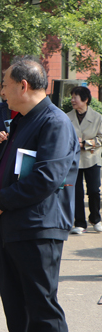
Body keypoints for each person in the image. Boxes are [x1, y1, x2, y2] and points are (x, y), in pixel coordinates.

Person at [0, 56, 79, 332]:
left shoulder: (54, 123)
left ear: (23, 86)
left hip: (37, 229)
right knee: (17, 310)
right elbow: (2, 168)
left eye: (5, 85)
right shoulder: (21, 121)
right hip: (10, 227)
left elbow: (46, 178)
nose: (1, 91)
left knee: (42, 311)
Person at [67, 86, 102, 234]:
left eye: (75, 97)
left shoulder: (97, 117)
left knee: (94, 190)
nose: (72, 100)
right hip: (74, 160)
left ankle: (96, 219)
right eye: (72, 97)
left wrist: (85, 144)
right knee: (76, 192)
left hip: (92, 158)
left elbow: (101, 138)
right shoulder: (67, 117)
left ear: (85, 99)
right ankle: (80, 223)